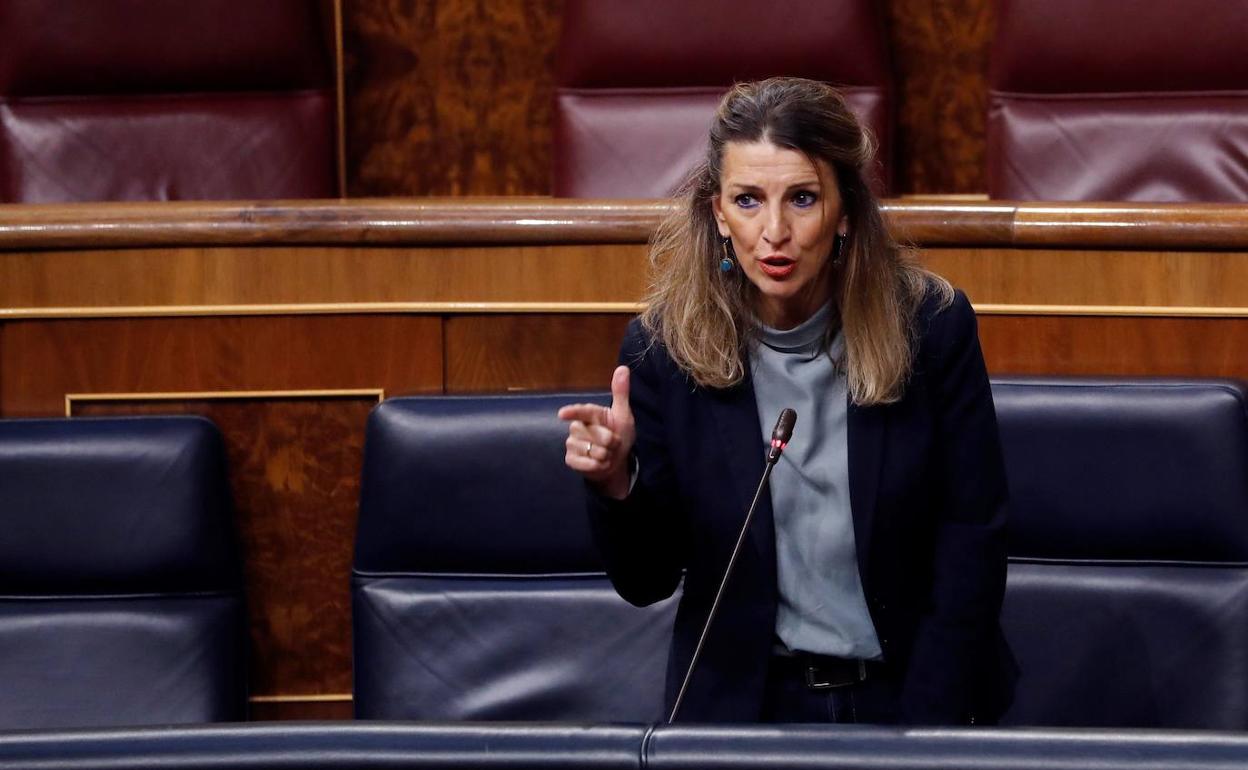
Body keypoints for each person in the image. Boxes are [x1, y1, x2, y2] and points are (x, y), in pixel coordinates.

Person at [558, 77, 1015, 725]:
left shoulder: (930, 329)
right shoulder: (665, 350)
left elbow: (973, 540)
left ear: (846, 209)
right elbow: (648, 580)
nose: (774, 231)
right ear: (719, 213)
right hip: (743, 712)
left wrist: (926, 731)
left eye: (802, 198)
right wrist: (616, 485)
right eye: (748, 200)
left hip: (908, 698)